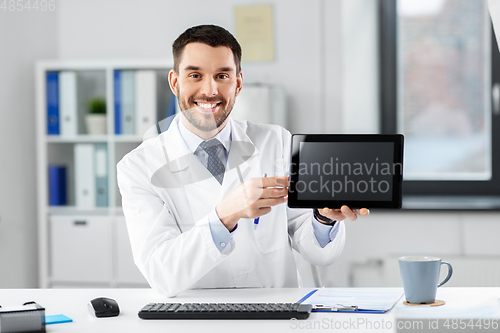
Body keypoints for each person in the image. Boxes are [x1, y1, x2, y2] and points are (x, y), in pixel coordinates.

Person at [117, 25, 369, 297]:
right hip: (197, 319)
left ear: (237, 83)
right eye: (195, 75)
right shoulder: (138, 168)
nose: (209, 90)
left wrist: (323, 219)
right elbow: (162, 273)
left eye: (222, 75)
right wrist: (225, 215)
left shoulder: (277, 141)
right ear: (175, 82)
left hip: (277, 314)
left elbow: (315, 249)